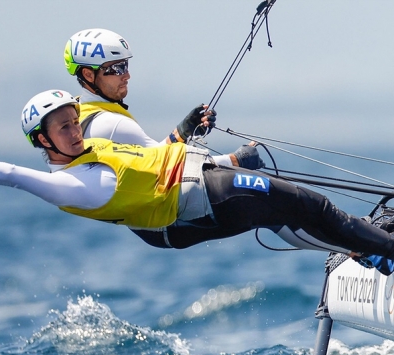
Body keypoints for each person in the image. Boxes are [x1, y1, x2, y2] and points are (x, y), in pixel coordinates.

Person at [0, 89, 394, 273]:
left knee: (300, 207)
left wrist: (185, 131)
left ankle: (376, 248)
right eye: (62, 129)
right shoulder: (69, 185)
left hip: (200, 181)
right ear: (43, 142)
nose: (75, 131)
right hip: (201, 204)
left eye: (74, 122)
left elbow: (154, 155)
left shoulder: (93, 146)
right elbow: (7, 175)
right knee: (311, 207)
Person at [63, 28, 265, 248]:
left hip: (157, 223)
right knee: (277, 208)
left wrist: (184, 131)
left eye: (126, 65)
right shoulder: (108, 123)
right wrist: (236, 161)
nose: (127, 75)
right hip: (168, 222)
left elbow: (154, 157)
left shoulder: (84, 111)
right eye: (117, 68)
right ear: (88, 75)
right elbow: (163, 170)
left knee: (272, 210)